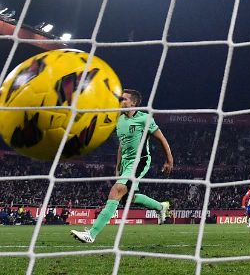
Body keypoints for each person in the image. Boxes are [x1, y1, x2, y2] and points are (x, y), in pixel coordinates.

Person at [71, 89, 173, 243]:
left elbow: (162, 139)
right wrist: (118, 166)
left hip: (140, 161)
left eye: (123, 99)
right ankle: (160, 206)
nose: (120, 102)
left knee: (116, 191)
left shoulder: (144, 119)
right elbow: (121, 145)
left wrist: (169, 160)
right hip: (126, 163)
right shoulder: (119, 120)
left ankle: (91, 234)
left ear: (133, 103)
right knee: (129, 197)